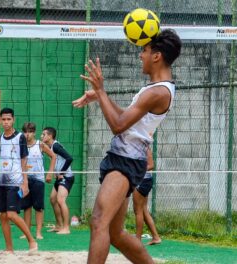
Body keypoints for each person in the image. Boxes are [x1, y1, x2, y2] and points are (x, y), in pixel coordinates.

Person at [72, 29, 181, 263]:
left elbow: (118, 125)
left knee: (99, 220)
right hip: (125, 158)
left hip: (127, 161)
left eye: (144, 50)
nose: (140, 55)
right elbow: (126, 120)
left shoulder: (158, 92)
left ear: (156, 56)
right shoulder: (156, 89)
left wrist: (101, 92)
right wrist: (101, 97)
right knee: (115, 233)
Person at [0, 108, 37, 252]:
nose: (6, 122)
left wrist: (24, 183)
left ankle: (32, 241)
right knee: (2, 215)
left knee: (11, 214)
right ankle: (9, 249)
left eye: (8, 119)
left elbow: (24, 159)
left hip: (16, 182)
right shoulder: (0, 138)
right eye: (3, 119)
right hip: (2, 181)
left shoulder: (20, 137)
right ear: (0, 120)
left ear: (13, 120)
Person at [20, 122, 56, 240]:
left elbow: (53, 156)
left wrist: (50, 172)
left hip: (38, 179)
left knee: (38, 207)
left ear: (34, 132)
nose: (27, 134)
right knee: (27, 206)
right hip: (25, 179)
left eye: (30, 132)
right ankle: (27, 232)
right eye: (25, 132)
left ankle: (39, 232)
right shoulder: (21, 146)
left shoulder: (40, 145)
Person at [41, 127, 74, 235]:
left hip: (66, 177)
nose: (41, 136)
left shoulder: (55, 146)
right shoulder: (50, 147)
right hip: (60, 177)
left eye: (44, 134)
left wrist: (61, 172)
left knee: (60, 200)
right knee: (52, 199)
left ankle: (66, 228)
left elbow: (69, 158)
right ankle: (59, 226)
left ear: (50, 136)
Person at [133, 148, 162, 245]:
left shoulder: (145, 147)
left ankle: (138, 240)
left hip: (142, 180)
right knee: (143, 209)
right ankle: (156, 237)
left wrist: (137, 171)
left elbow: (151, 165)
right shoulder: (135, 147)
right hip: (142, 180)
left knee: (138, 211)